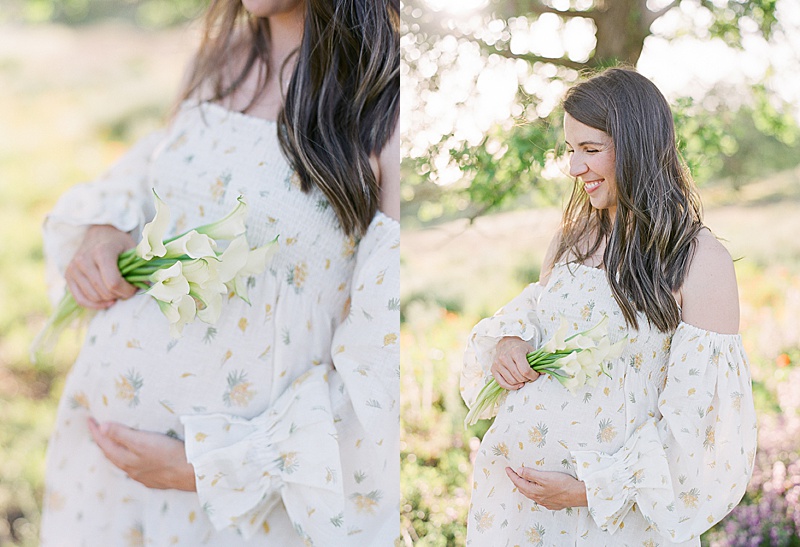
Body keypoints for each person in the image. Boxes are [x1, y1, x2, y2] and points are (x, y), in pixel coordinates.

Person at [38, 1, 399, 545]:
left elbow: (381, 353)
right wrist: (102, 229)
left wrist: (222, 468)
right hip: (109, 478)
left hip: (240, 505)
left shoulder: (389, 105)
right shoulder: (217, 62)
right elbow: (153, 179)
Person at [461, 68, 757, 546]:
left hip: (618, 522)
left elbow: (696, 424)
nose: (575, 169)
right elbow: (537, 325)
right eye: (570, 150)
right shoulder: (569, 242)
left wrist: (588, 491)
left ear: (638, 146)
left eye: (591, 150)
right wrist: (510, 345)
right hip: (522, 515)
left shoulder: (699, 260)